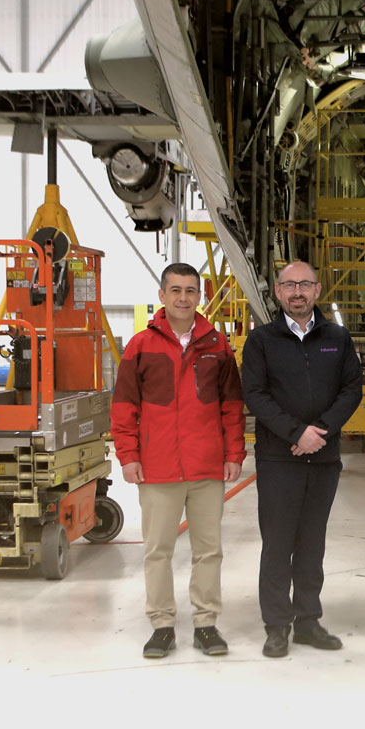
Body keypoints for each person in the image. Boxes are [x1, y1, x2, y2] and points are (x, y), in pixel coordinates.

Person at [111, 262, 245, 659]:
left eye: (190, 291)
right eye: (176, 290)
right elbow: (124, 407)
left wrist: (234, 453)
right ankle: (162, 624)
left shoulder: (217, 344)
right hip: (158, 468)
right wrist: (129, 456)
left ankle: (206, 624)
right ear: (162, 296)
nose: (183, 298)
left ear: (199, 296)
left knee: (209, 550)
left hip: (207, 467)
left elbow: (232, 407)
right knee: (158, 551)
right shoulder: (140, 346)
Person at [240, 259, 365, 658]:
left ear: (317, 289)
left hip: (323, 459)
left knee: (312, 544)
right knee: (278, 544)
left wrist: (321, 432)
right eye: (289, 285)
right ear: (278, 292)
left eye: (305, 284)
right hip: (279, 459)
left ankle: (308, 620)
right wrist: (297, 433)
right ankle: (277, 625)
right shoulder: (261, 340)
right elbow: (255, 395)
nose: (297, 292)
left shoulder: (337, 338)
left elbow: (351, 389)